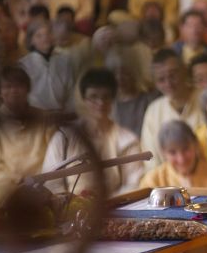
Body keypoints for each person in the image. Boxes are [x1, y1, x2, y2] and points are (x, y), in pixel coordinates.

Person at [42, 68, 142, 196]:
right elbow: (52, 183)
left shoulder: (127, 140)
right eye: (93, 97)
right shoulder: (63, 137)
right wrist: (70, 202)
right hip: (70, 205)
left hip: (116, 205)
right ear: (84, 98)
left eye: (106, 97)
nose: (100, 103)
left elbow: (133, 184)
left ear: (113, 99)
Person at [0, 66, 57, 207]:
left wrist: (39, 179)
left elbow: (55, 155)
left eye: (19, 86)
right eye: (7, 87)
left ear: (27, 89)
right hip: (4, 185)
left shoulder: (44, 117)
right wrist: (16, 180)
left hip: (41, 183)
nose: (14, 91)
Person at [141, 49, 204, 169]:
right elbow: (151, 159)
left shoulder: (206, 100)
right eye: (161, 79)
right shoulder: (154, 111)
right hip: (169, 178)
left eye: (173, 75)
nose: (168, 83)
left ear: (185, 70)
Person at [140, 120, 207, 195]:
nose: (181, 159)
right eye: (173, 152)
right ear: (163, 152)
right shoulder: (152, 182)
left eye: (186, 149)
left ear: (196, 145)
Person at [19, 18, 76, 112]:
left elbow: (70, 91)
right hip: (35, 114)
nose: (45, 38)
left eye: (48, 33)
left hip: (62, 113)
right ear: (31, 40)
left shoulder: (64, 60)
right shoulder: (24, 64)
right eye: (39, 35)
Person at [104, 48, 161, 138]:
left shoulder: (149, 99)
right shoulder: (109, 104)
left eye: (124, 73)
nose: (119, 78)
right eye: (114, 73)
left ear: (134, 72)